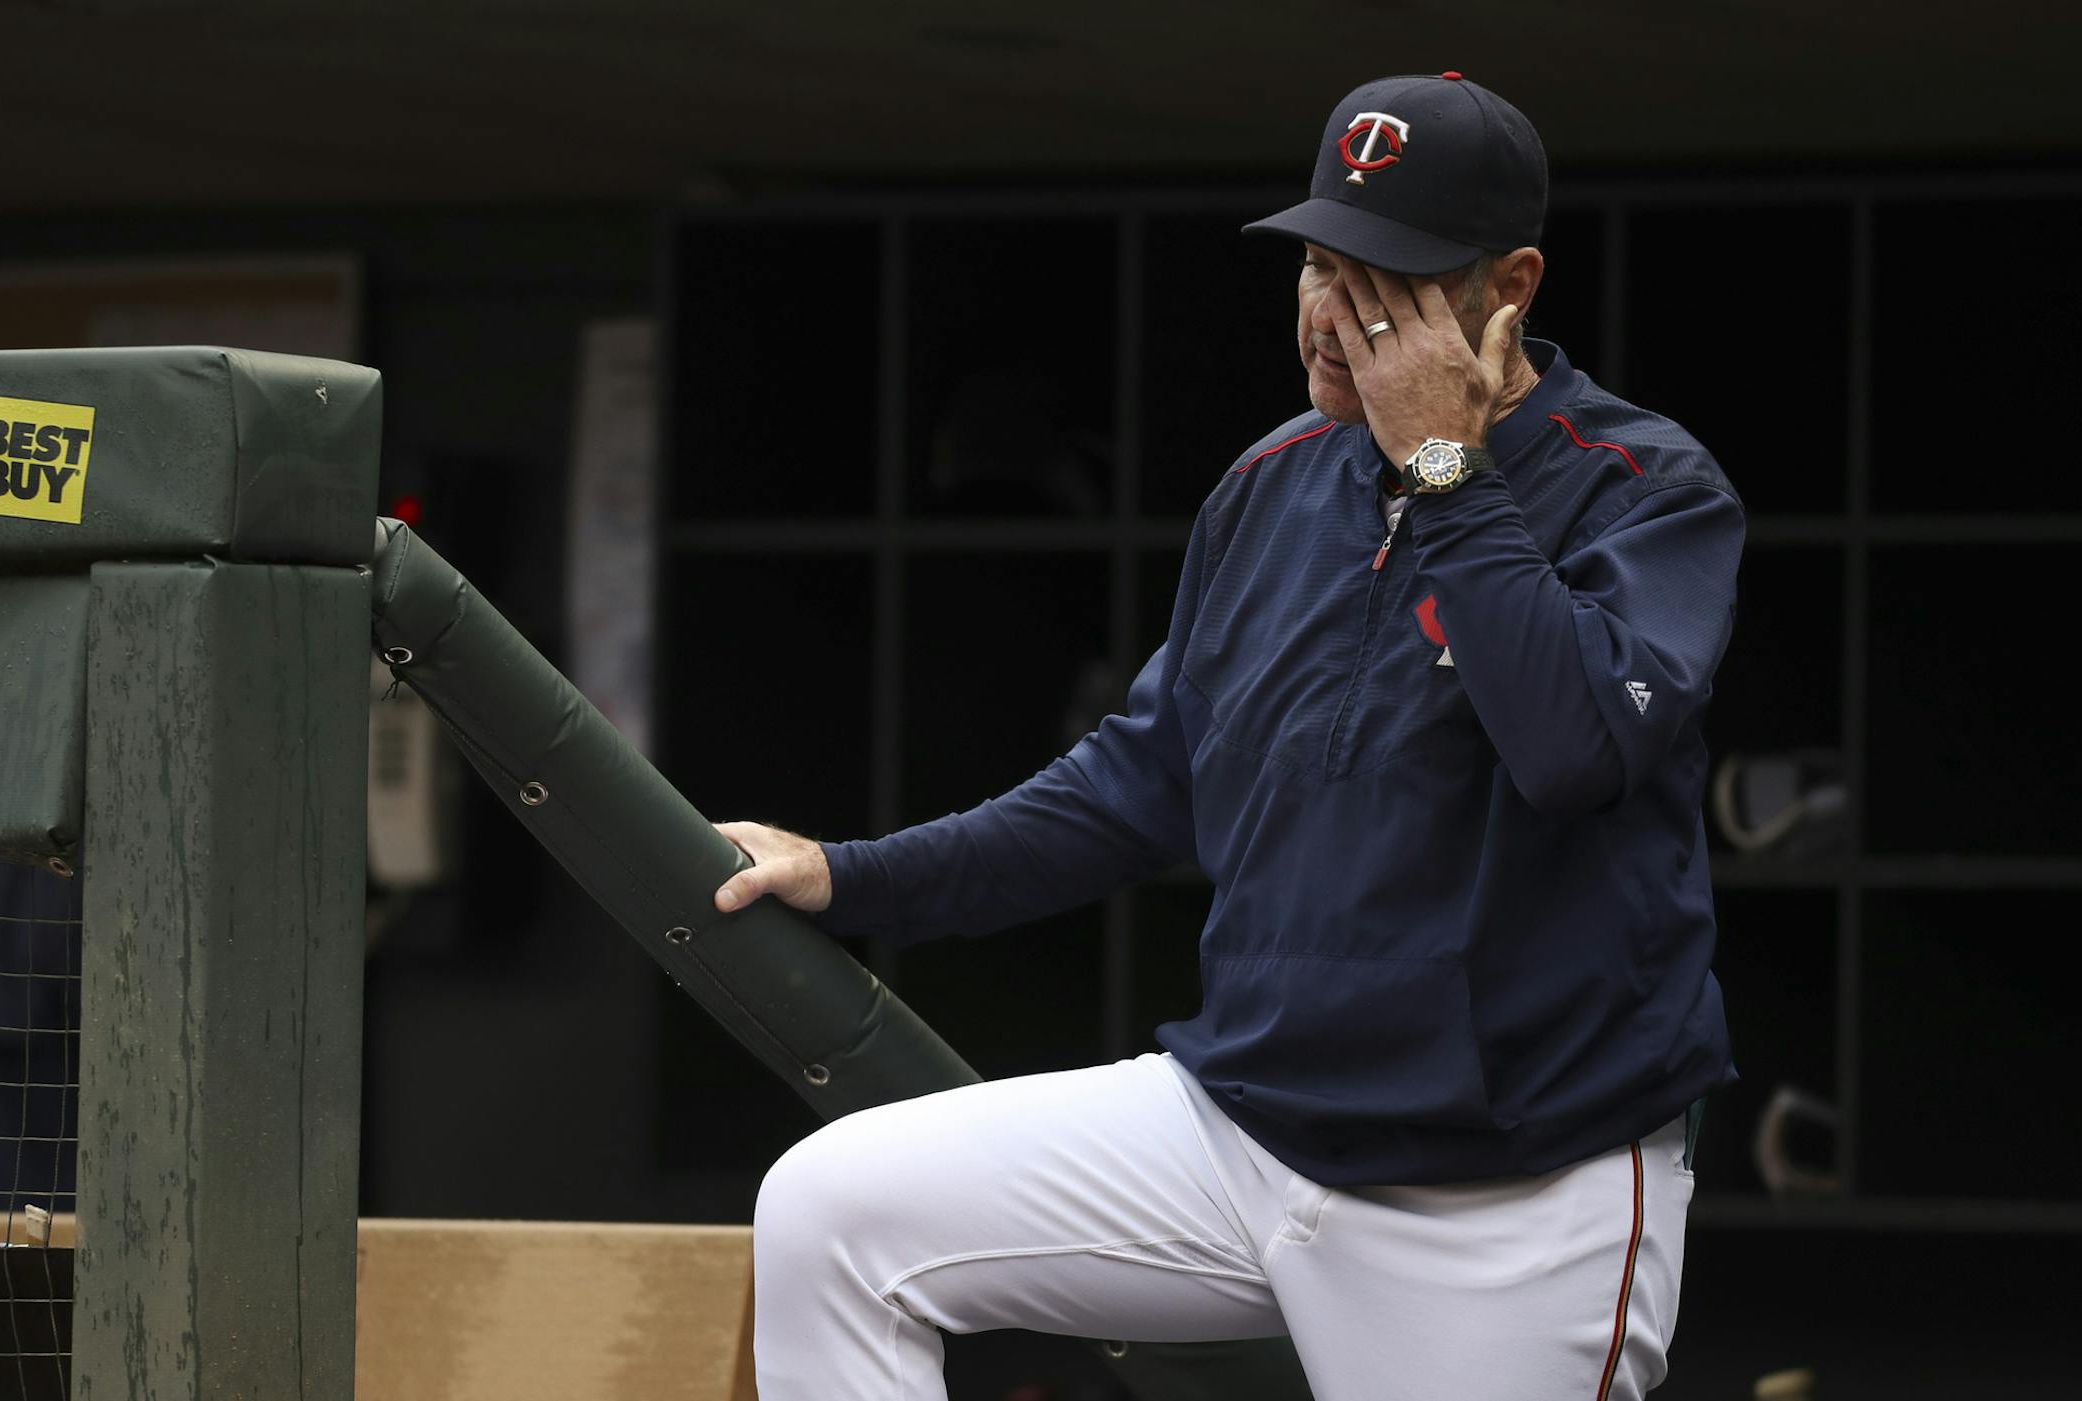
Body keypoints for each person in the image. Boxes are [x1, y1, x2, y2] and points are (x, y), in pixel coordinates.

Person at [714, 71, 1742, 1400]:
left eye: (1388, 281)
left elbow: (1569, 747)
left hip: (1507, 1194)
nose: (1333, 314)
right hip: (1240, 1127)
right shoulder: (1268, 484)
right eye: (1320, 265)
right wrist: (855, 874)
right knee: (831, 1211)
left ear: (1511, 286)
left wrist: (1442, 469)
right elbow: (1135, 785)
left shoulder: (1646, 485)